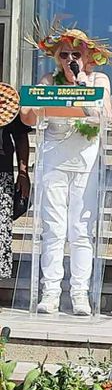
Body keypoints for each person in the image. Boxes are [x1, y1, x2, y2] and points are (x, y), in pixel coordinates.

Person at [21, 26, 112, 315]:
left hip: (85, 160)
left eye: (76, 53)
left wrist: (82, 85)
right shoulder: (49, 80)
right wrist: (38, 104)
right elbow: (27, 116)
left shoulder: (99, 79)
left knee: (81, 229)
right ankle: (50, 292)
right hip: (54, 158)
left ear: (88, 56)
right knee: (53, 228)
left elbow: (106, 115)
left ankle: (80, 293)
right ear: (57, 58)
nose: (70, 58)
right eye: (65, 54)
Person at [0, 115, 31, 280]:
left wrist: (23, 173)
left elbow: (21, 136)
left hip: (2, 172)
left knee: (1, 231)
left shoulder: (5, 99)